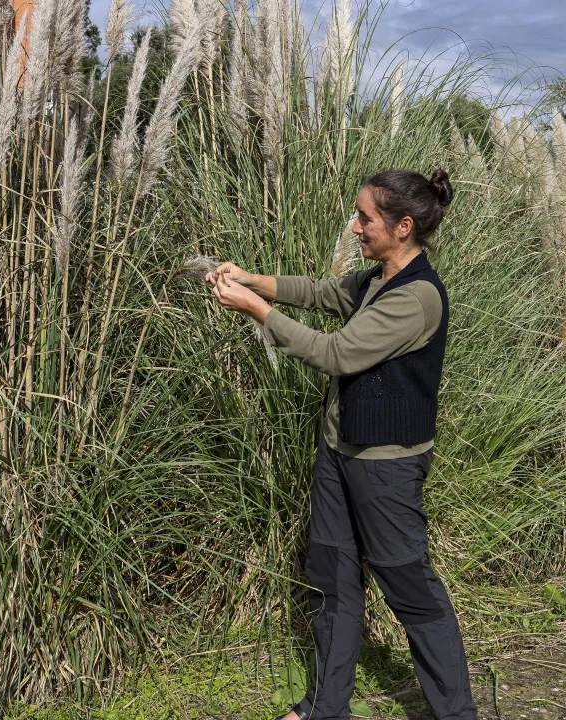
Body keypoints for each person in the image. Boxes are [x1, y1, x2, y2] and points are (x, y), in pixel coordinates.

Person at [205, 169, 476, 720]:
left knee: (408, 586)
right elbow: (323, 292)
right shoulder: (376, 279)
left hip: (387, 467)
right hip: (339, 452)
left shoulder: (418, 297)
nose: (355, 227)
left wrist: (256, 312)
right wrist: (253, 279)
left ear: (403, 227)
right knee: (331, 578)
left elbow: (337, 354)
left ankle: (457, 714)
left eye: (365, 218)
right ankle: (327, 709)